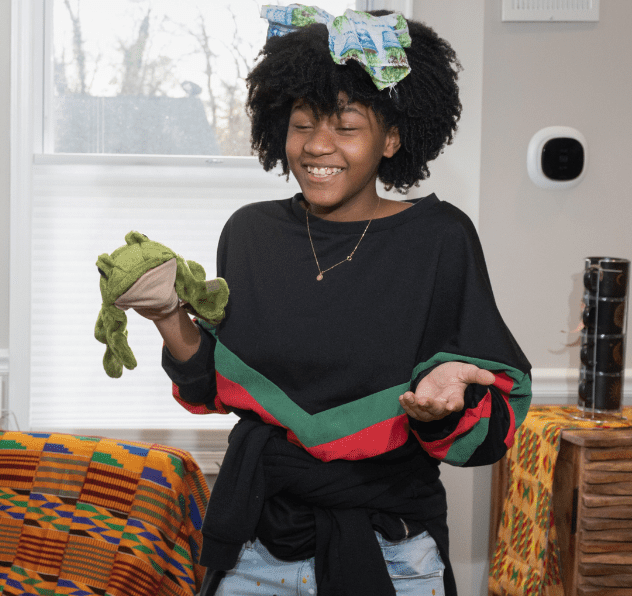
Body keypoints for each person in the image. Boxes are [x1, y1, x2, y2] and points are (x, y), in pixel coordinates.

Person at [136, 8, 531, 596]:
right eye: (301, 125)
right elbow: (212, 385)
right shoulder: (250, 233)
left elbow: (486, 430)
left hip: (393, 550)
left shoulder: (440, 238)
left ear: (391, 138)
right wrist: (167, 313)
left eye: (346, 126)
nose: (318, 145)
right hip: (257, 545)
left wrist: (447, 403)